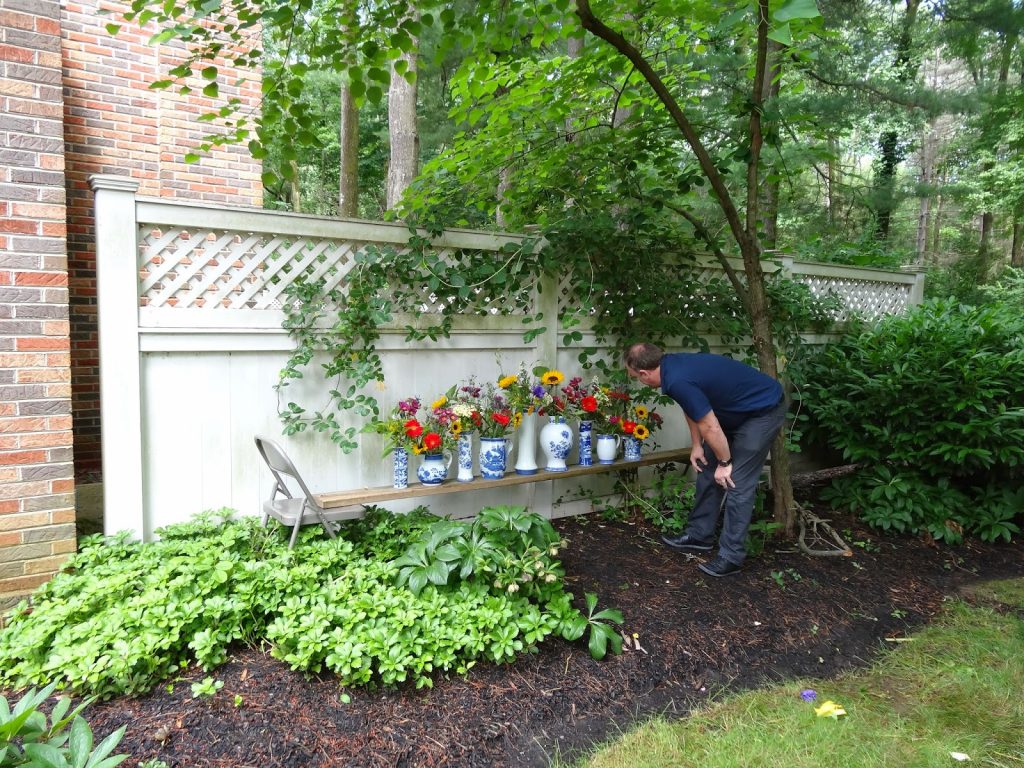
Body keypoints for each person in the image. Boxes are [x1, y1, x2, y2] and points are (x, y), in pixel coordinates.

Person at [624, 342, 786, 577]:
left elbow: (710, 426)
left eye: (635, 377)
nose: (639, 381)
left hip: (761, 411)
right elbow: (692, 408)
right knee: (707, 466)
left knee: (736, 481)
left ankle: (731, 557)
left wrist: (725, 463)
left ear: (644, 373)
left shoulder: (677, 377)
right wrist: (697, 445)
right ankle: (700, 535)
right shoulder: (671, 369)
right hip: (732, 412)